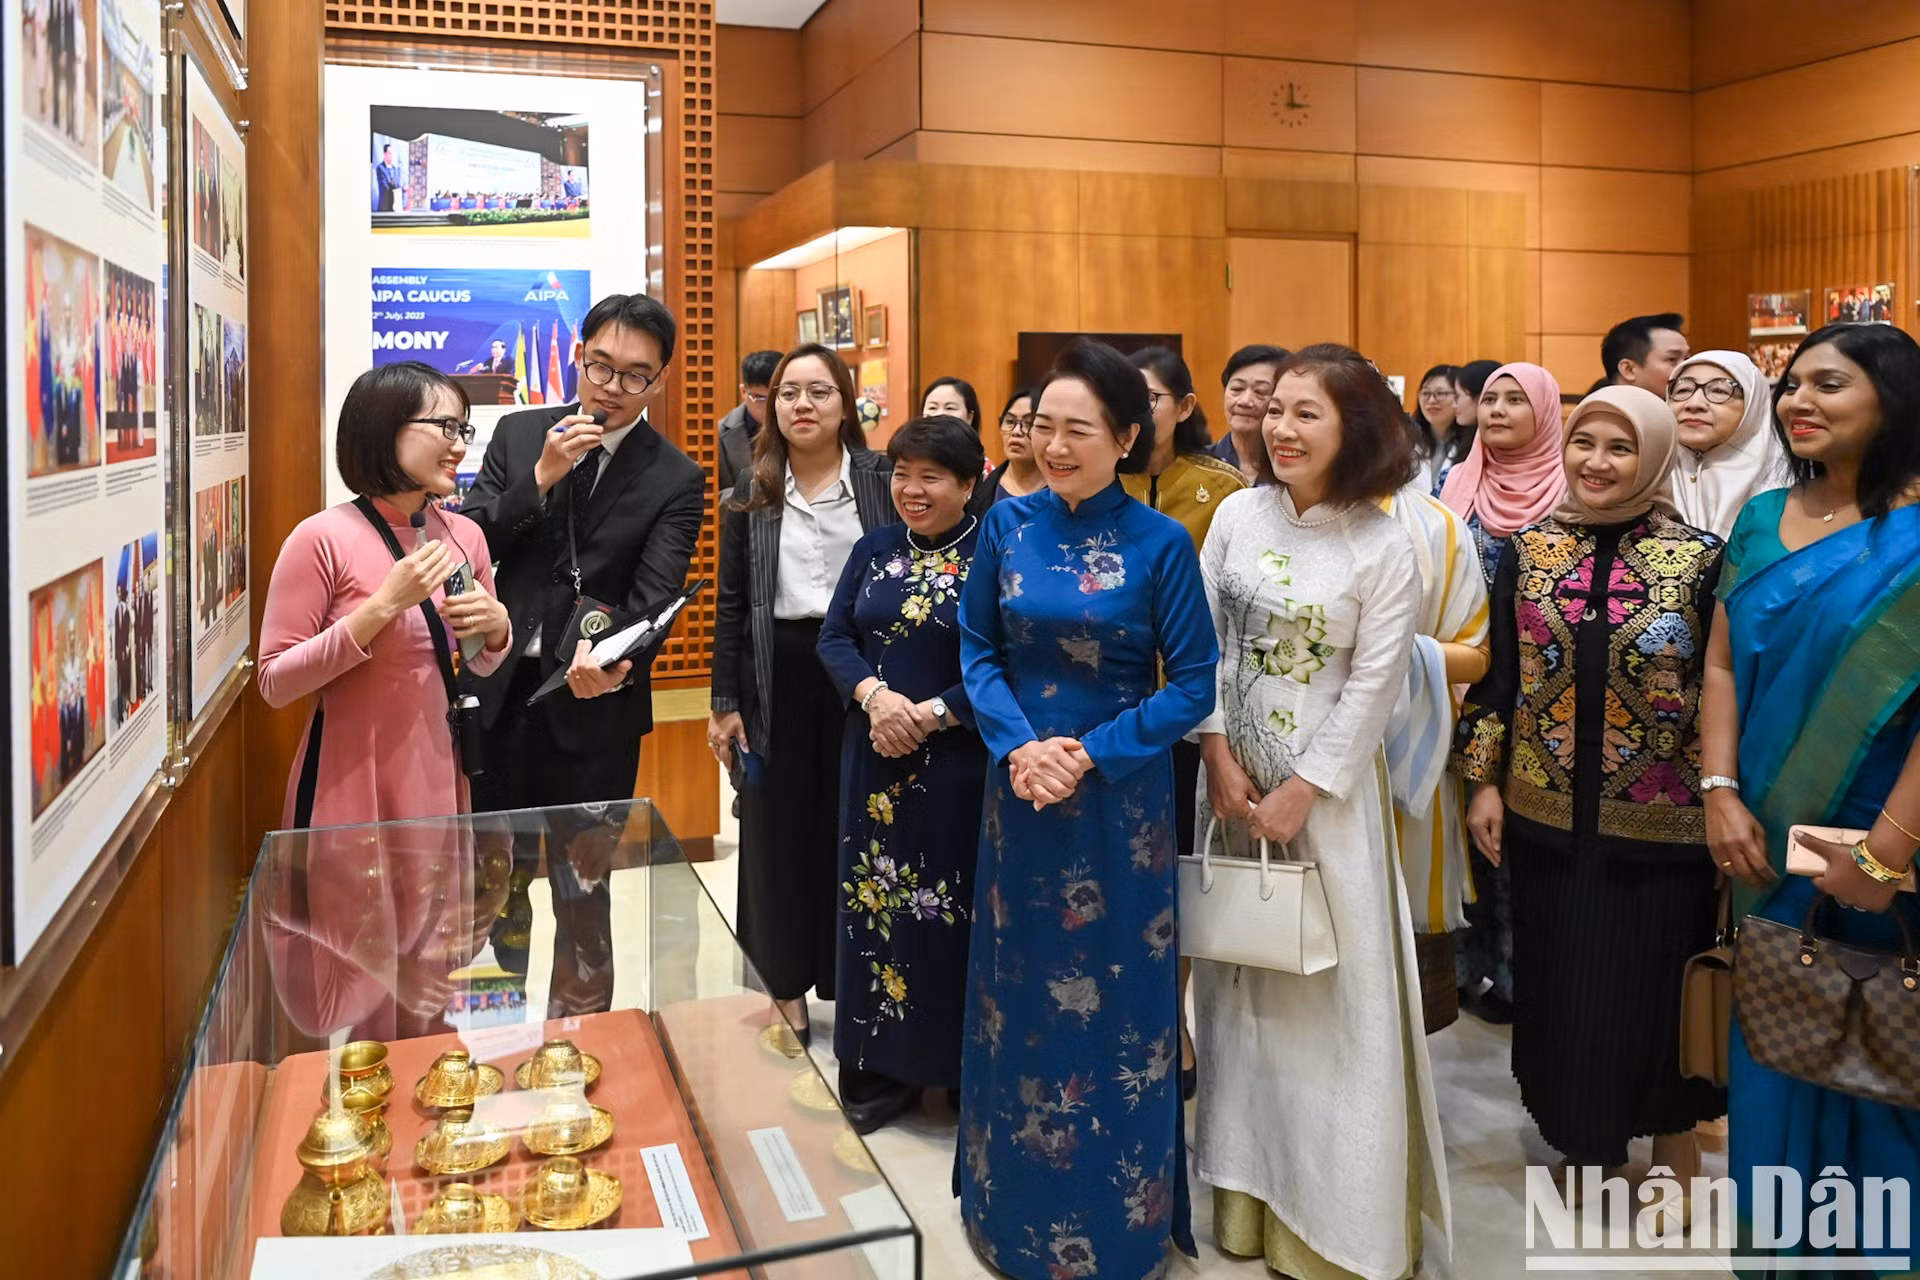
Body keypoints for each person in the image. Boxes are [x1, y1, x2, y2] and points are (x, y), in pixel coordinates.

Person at [955, 337, 1216, 1279]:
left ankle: (1119, 1226)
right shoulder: (1007, 524)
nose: (1055, 445)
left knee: (1117, 1013)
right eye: (1043, 426)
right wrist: (1021, 747)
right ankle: (1005, 1212)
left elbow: (1192, 685)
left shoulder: (1163, 543)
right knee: (1012, 994)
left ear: (1126, 437)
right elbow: (978, 651)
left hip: (1119, 808)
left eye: (1079, 430)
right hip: (1017, 790)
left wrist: (1086, 756)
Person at [1190, 344, 1445, 1280]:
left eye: (1309, 414)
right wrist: (1217, 757)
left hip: (1324, 807)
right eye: (1274, 410)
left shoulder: (1384, 543)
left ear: (1358, 429)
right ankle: (1245, 1195)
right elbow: (1202, 648)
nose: (1281, 429)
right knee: (1238, 995)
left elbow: (1375, 685)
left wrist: (1304, 789)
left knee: (1330, 1009)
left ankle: (1331, 1227)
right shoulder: (1234, 513)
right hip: (1228, 791)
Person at [1456, 383, 1726, 1191]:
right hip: (1543, 820)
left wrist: (1721, 794)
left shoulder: (1703, 557)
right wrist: (1485, 783)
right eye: (1584, 444)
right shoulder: (1532, 550)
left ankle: (1675, 1153)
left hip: (1666, 831)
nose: (1598, 463)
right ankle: (1585, 1141)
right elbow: (1500, 679)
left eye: (1620, 448)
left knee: (1657, 996)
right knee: (1569, 993)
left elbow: (1722, 688)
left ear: (1654, 455)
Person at [1700, 323, 1920, 1270]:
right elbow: (1717, 666)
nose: (1800, 403)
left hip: (1882, 841)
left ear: (1894, 400)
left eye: (1829, 385)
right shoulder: (1759, 520)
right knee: (1778, 1052)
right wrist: (1718, 791)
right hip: (1761, 838)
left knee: (1879, 1058)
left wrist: (1888, 851)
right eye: (1792, 386)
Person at [461, 294, 704, 1012]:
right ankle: (493, 1046)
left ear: (658, 381)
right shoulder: (518, 434)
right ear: (577, 352)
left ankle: (576, 1056)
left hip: (593, 707)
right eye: (601, 364)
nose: (612, 386)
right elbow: (474, 543)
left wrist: (616, 663)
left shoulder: (675, 477)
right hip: (501, 695)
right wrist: (538, 478)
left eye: (635, 375)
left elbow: (655, 599)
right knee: (495, 885)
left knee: (583, 892)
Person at [708, 344, 898, 1046]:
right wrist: (723, 702)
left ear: (845, 403)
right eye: (788, 392)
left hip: (864, 671)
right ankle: (783, 987)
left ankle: (852, 986)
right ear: (770, 405)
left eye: (819, 391)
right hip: (777, 671)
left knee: (856, 825)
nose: (802, 405)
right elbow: (732, 605)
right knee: (773, 831)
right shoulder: (747, 493)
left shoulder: (881, 480)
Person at [816, 415, 988, 1134]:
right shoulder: (874, 547)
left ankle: (943, 1070)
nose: (911, 490)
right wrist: (875, 699)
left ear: (970, 483)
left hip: (955, 766)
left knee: (943, 914)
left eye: (932, 477)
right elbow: (834, 637)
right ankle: (876, 1069)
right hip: (872, 761)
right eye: (902, 473)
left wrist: (934, 714)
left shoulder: (995, 553)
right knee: (873, 907)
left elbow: (1007, 661)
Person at [257, 361, 511, 828]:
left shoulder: (465, 536)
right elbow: (275, 682)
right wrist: (383, 606)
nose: (458, 446)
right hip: (348, 775)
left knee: (435, 901)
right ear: (385, 427)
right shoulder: (320, 538)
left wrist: (497, 629)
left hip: (439, 765)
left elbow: (478, 661)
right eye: (445, 427)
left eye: (463, 429)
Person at [1121, 343, 1247, 1098]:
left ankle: (1172, 1016)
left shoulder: (1221, 489)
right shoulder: (1098, 483)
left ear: (1184, 406)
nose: (1141, 414)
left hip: (1189, 715)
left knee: (1177, 877)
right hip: (1107, 711)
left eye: (1153, 399)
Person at [1438, 360, 1566, 1024]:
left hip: (1544, 692)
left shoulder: (1574, 490)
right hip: (1462, 683)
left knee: (1519, 837)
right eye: (1491, 399)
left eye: (1517, 400)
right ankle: (1463, 965)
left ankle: (1522, 976)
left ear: (1546, 412)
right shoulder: (1450, 483)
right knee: (1465, 828)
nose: (1499, 411)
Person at [1665, 350, 1790, 539]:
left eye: (1718, 391)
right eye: (1683, 390)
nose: (1694, 403)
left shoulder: (1785, 481)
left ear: (1753, 405)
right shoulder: (1648, 473)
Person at [1211, 344, 1289, 482]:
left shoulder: (1294, 470)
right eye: (1237, 388)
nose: (1245, 401)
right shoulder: (1198, 464)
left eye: (1261, 391)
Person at [718, 349, 780, 496]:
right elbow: (709, 498)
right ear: (744, 392)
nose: (770, 406)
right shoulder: (718, 434)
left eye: (778, 396)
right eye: (761, 399)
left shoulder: (801, 426)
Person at [970, 388, 1041, 514]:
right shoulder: (982, 486)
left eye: (1028, 423)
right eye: (1009, 421)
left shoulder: (1061, 492)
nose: (1016, 432)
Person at [1600, 312, 1689, 397]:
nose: (1687, 367)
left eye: (1687, 359)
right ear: (1629, 370)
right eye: (1672, 359)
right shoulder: (1601, 411)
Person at [1408, 363, 1459, 492]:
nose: (1431, 400)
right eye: (1425, 393)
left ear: (1460, 397)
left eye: (1440, 393)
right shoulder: (1408, 441)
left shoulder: (1471, 446)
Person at [375, 144, 404, 213]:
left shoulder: (395, 169)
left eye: (392, 154)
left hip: (395, 207)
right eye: (389, 153)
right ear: (385, 154)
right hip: (385, 206)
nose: (391, 156)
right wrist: (394, 184)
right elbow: (385, 186)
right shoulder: (380, 168)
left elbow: (398, 184)